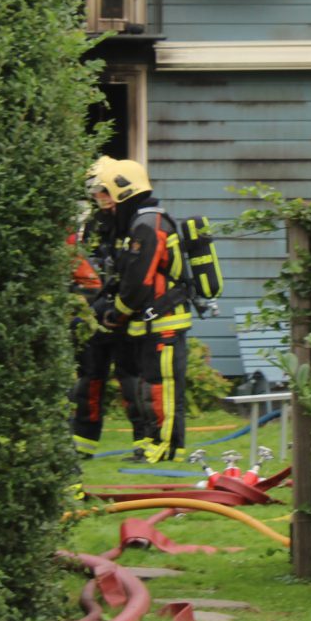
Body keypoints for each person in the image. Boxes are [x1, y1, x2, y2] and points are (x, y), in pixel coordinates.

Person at [88, 158, 225, 463]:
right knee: (148, 386)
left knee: (163, 387)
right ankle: (152, 443)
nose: (104, 202)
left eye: (106, 193)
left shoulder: (148, 226)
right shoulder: (139, 223)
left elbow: (138, 281)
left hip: (164, 322)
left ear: (123, 190)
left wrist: (117, 313)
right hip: (149, 322)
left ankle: (167, 447)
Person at [68, 158, 156, 460]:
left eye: (104, 191)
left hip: (123, 313)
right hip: (94, 311)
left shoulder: (135, 222)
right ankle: (82, 445)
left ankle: (144, 443)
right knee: (89, 379)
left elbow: (133, 272)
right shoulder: (93, 224)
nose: (100, 197)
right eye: (96, 192)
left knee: (131, 379)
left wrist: (119, 308)